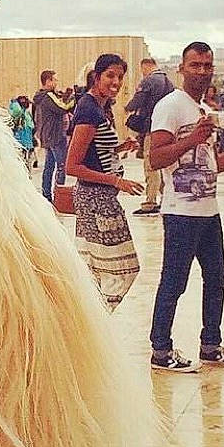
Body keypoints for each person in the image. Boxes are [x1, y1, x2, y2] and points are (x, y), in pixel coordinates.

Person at [148, 41, 224, 373]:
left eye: (207, 65)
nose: (202, 71)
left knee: (217, 276)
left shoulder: (202, 110)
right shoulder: (170, 106)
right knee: (175, 280)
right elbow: (156, 158)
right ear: (181, 69)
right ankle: (160, 350)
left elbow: (213, 165)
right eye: (195, 65)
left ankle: (211, 345)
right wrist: (193, 138)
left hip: (208, 211)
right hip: (181, 212)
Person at [65, 53, 142, 308]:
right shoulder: (88, 109)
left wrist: (120, 148)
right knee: (123, 269)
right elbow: (73, 165)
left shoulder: (98, 106)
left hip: (96, 197)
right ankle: (98, 318)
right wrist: (116, 181)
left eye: (120, 77)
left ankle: (88, 320)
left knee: (94, 269)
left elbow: (93, 152)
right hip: (96, 198)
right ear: (96, 77)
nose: (116, 82)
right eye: (110, 75)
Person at [123, 56, 174, 217]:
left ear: (145, 66)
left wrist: (127, 108)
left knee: (150, 164)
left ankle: (150, 202)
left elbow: (137, 101)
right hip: (166, 128)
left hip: (151, 128)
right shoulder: (168, 82)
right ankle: (166, 198)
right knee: (161, 165)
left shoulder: (149, 81)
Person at [32, 69, 73, 201]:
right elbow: (62, 108)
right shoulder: (48, 96)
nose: (56, 82)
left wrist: (65, 96)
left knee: (49, 166)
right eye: (55, 80)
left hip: (47, 135)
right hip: (55, 135)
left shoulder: (40, 96)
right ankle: (58, 196)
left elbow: (57, 105)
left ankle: (47, 195)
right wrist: (74, 98)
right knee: (62, 165)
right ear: (48, 81)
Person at [11, 94, 36, 169]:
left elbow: (31, 124)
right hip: (21, 134)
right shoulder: (17, 108)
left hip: (26, 134)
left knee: (27, 153)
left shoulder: (26, 112)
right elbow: (17, 112)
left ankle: (27, 168)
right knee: (21, 154)